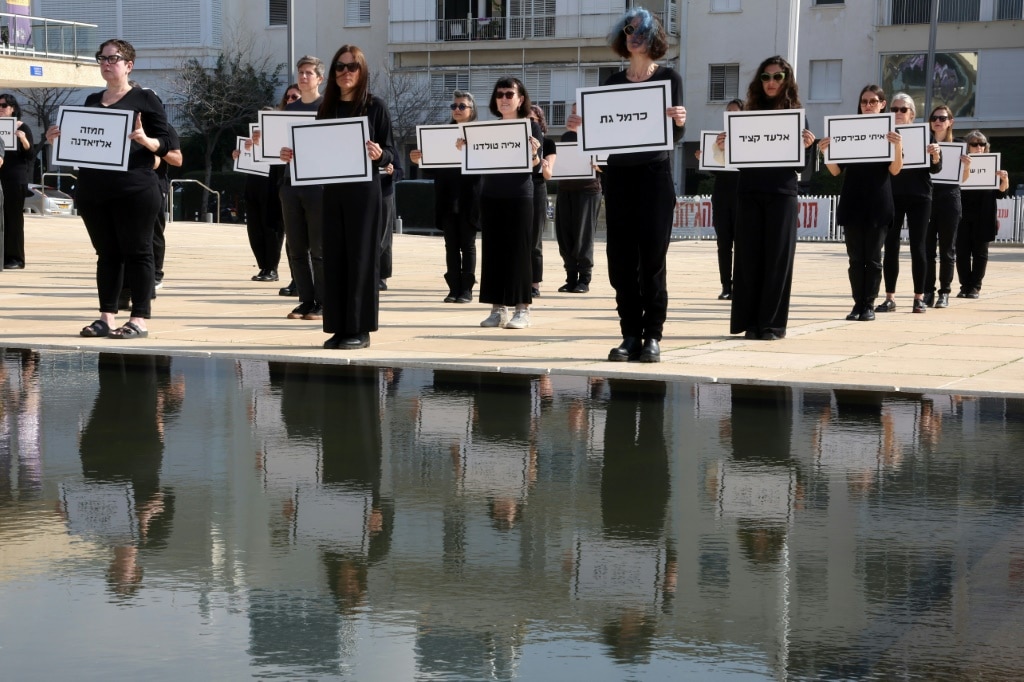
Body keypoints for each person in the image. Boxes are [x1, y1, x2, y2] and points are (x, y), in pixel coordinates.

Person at [567, 8, 686, 361]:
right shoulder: (612, 83)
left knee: (652, 259)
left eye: (642, 30)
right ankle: (630, 333)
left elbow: (673, 136)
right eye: (629, 29)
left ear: (654, 38)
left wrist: (680, 121)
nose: (634, 35)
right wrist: (579, 125)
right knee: (620, 260)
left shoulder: (669, 78)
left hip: (654, 177)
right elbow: (602, 134)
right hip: (618, 178)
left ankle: (653, 336)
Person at [46, 39, 172, 339]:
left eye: (113, 58)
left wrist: (145, 140)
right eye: (101, 58)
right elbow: (85, 148)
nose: (105, 63)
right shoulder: (91, 101)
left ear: (129, 65)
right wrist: (58, 140)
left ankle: (139, 318)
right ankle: (106, 316)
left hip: (135, 189)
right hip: (95, 190)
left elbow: (168, 146)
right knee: (107, 254)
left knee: (139, 253)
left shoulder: (145, 99)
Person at [281, 44, 394, 350]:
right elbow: (319, 150)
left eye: (352, 67)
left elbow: (391, 152)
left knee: (360, 260)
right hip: (331, 193)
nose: (345, 73)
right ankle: (339, 327)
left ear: (362, 71)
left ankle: (360, 329)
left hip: (363, 194)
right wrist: (294, 154)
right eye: (340, 67)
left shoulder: (375, 106)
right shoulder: (326, 108)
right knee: (335, 261)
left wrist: (381, 154)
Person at [724, 56, 815, 341]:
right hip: (750, 191)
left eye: (777, 76)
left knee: (777, 260)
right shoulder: (748, 113)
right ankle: (750, 323)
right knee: (748, 259)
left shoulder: (797, 113)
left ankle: (772, 325)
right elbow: (737, 159)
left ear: (787, 80)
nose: (772, 82)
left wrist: (808, 146)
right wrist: (724, 145)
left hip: (782, 193)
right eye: (766, 77)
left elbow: (802, 166)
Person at [820, 84, 903, 322]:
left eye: (873, 101)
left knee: (873, 258)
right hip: (853, 200)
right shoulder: (847, 130)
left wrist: (898, 146)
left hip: (878, 201)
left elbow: (896, 170)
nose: (867, 106)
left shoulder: (891, 133)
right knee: (855, 259)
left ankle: (869, 304)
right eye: (864, 102)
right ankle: (857, 303)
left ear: (882, 104)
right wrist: (826, 152)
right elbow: (835, 171)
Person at [471, 77, 543, 330]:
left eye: (509, 94)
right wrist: (464, 148)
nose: (504, 98)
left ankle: (522, 308)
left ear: (520, 99)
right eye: (499, 94)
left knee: (519, 251)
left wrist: (534, 153)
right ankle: (497, 308)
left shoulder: (531, 127)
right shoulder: (488, 128)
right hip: (491, 195)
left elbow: (537, 165)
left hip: (519, 195)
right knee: (492, 251)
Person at [409, 90, 481, 303]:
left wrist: (467, 151)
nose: (457, 110)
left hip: (470, 197)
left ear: (471, 109)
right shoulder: (441, 134)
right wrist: (419, 158)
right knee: (450, 244)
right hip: (447, 197)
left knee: (467, 245)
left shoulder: (479, 133)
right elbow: (432, 170)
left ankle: (466, 288)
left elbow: (485, 166)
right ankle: (453, 287)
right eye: (454, 106)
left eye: (461, 106)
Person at [875, 93, 941, 314]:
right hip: (892, 195)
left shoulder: (925, 134)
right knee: (890, 247)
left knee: (918, 246)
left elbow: (935, 169)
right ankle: (890, 297)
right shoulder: (883, 134)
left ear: (912, 113)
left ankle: (919, 297)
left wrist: (935, 156)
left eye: (903, 110)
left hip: (920, 196)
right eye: (894, 109)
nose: (898, 113)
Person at [279, 56, 325, 321]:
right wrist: (280, 151)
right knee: (296, 248)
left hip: (318, 186)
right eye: (300, 72)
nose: (304, 77)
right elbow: (278, 146)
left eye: (309, 73)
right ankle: (306, 300)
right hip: (290, 184)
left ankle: (323, 301)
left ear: (319, 78)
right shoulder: (289, 109)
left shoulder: (327, 108)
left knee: (319, 249)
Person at [241, 85, 297, 284]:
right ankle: (264, 266)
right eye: (288, 96)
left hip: (275, 182)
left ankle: (272, 268)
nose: (290, 99)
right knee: (255, 228)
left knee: (273, 226)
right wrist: (243, 151)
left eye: (295, 96)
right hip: (255, 182)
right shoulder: (260, 132)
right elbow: (247, 153)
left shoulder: (292, 124)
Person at [697, 98, 743, 300]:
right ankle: (726, 285)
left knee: (743, 244)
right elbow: (715, 169)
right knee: (723, 243)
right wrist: (703, 156)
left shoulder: (750, 139)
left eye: (735, 111)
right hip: (722, 196)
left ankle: (742, 285)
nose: (731, 114)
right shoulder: (718, 140)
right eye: (728, 111)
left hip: (743, 196)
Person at [924, 104, 969, 309]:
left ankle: (945, 292)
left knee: (947, 249)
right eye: (934, 118)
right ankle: (927, 292)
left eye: (942, 118)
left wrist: (967, 166)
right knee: (927, 249)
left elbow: (963, 179)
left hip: (950, 198)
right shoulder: (924, 143)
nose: (938, 121)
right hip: (927, 197)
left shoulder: (959, 144)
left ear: (951, 122)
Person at [955, 130, 1011, 298]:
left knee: (980, 253)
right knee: (962, 252)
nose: (978, 147)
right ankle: (965, 285)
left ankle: (975, 287)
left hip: (984, 214)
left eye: (982, 144)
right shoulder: (960, 163)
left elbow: (1000, 193)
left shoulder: (992, 164)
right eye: (974, 144)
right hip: (962, 214)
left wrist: (1005, 179)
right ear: (967, 146)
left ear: (987, 147)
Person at [555, 102, 601, 294]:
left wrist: (598, 165)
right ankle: (570, 277)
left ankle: (584, 278)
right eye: (572, 113)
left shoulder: (597, 137)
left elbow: (605, 164)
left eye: (578, 113)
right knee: (565, 235)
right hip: (565, 189)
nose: (573, 117)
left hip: (588, 190)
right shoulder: (565, 137)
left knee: (583, 235)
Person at [0, 94, 33, 270]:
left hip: (14, 179)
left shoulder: (22, 127)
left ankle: (15, 258)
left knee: (13, 219)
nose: (1, 108)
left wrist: (23, 139)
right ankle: (2, 255)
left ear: (13, 108)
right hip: (1, 177)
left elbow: (30, 155)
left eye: (4, 105)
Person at [528, 104, 557, 298]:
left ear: (540, 123)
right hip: (516, 188)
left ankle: (534, 283)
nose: (529, 124)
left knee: (534, 239)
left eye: (533, 120)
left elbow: (548, 175)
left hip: (537, 188)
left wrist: (543, 164)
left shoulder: (549, 143)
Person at [378, 161, 399, 291]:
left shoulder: (388, 147)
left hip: (384, 193)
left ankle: (381, 276)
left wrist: (393, 172)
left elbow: (400, 172)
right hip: (361, 192)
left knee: (384, 236)